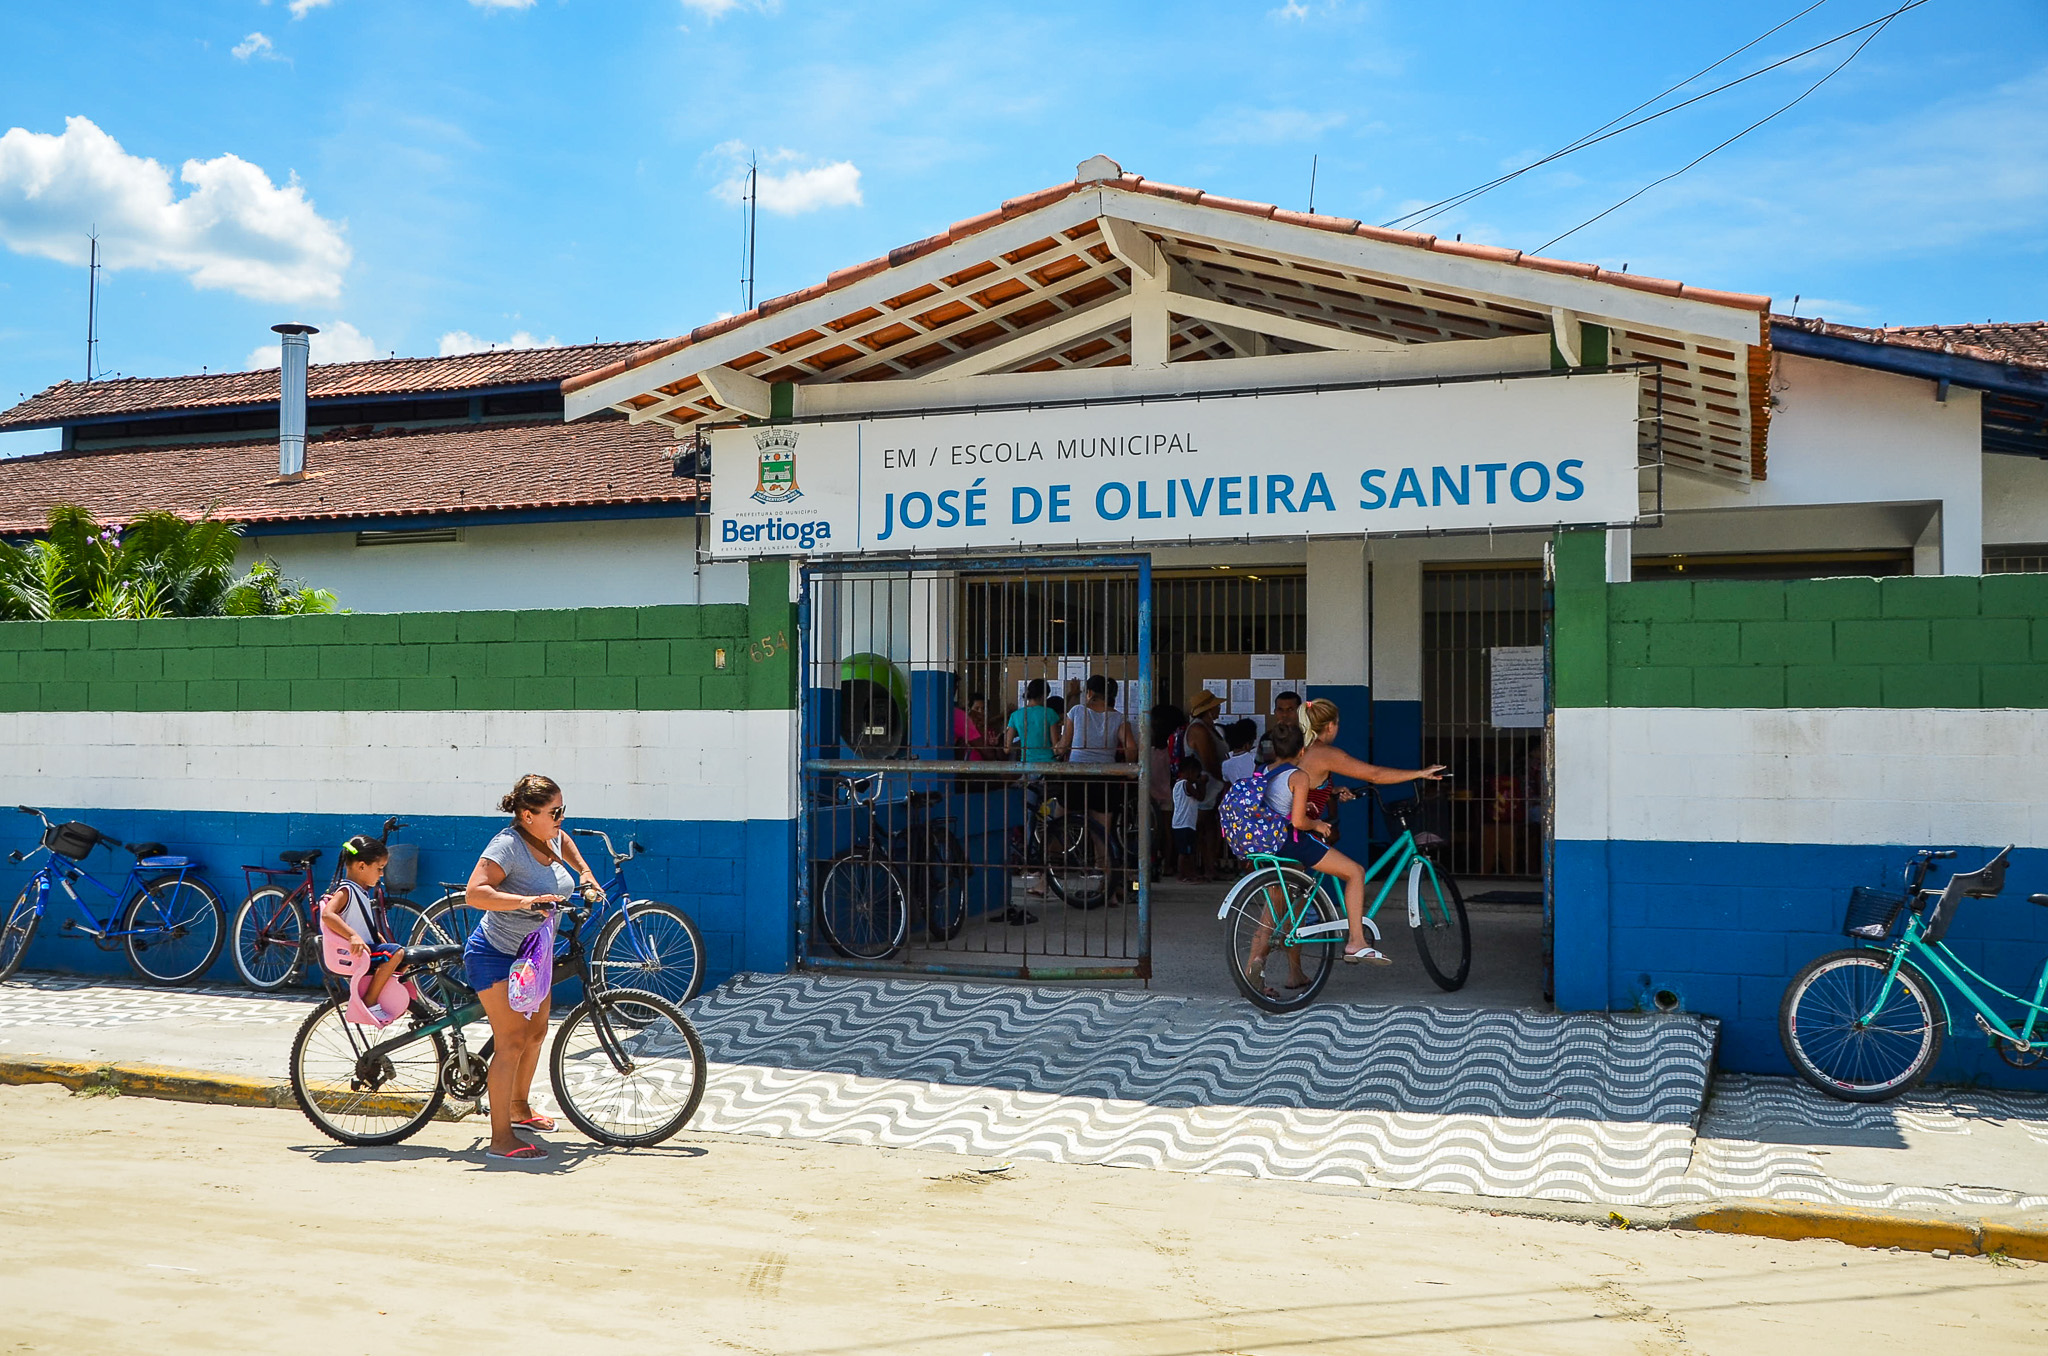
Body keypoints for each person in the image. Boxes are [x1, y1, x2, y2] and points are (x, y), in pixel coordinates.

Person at [462, 773, 603, 1163]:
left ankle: (519, 1109)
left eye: (562, 809)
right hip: (497, 954)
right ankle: (500, 1139)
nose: (560, 817)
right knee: (511, 1042)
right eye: (554, 811)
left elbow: (567, 843)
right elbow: (475, 893)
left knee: (536, 1033)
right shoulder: (506, 846)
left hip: (533, 957)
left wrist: (586, 875)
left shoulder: (550, 834)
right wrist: (525, 902)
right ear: (527, 815)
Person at [1270, 700, 1445, 964]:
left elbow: (1303, 785)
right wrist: (1419, 773)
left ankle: (1261, 971)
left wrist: (1335, 790)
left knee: (1279, 913)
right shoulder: (1324, 752)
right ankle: (1356, 942)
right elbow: (1373, 774)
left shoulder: (1302, 751)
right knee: (1355, 872)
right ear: (1330, 726)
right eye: (1337, 724)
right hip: (1297, 835)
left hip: (1275, 833)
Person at [1056, 675, 1138, 872]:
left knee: (1058, 827)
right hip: (1104, 778)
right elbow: (1131, 747)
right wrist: (1129, 768)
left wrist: (1056, 748)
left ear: (1090, 693)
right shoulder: (1118, 718)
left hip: (1076, 775)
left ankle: (1045, 881)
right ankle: (1107, 887)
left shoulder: (1076, 711)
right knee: (1102, 835)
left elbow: (1063, 746)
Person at [317, 835, 403, 1019]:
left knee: (409, 959)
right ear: (361, 866)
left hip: (366, 948)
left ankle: (382, 990)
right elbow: (327, 914)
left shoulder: (360, 891)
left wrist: (375, 934)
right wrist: (352, 936)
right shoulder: (346, 890)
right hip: (357, 954)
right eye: (379, 868)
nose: (381, 874)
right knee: (397, 953)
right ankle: (371, 999)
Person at [1170, 756, 1210, 880]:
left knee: (1189, 851)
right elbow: (1200, 796)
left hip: (1182, 823)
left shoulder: (1178, 784)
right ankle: (1183, 874)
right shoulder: (1186, 784)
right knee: (1185, 852)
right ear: (1190, 771)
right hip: (1185, 823)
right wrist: (1202, 783)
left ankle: (1189, 873)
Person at [1004, 679, 1060, 765]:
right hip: (1048, 764)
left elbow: (1007, 749)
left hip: (1027, 764)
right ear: (1043, 696)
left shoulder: (1015, 715)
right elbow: (1056, 747)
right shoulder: (1050, 713)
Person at [1221, 719, 1259, 785]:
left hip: (1238, 794)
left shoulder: (1225, 764)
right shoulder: (1255, 758)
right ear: (1247, 744)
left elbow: (1226, 780)